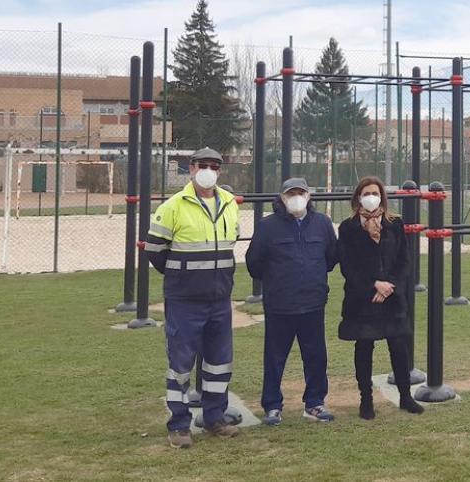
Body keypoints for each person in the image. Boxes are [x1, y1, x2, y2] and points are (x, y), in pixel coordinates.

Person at [145, 147, 242, 448]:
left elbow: (231, 241)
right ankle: (178, 425)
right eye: (203, 165)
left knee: (218, 363)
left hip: (219, 299)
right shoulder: (173, 206)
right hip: (185, 300)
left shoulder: (229, 203)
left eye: (215, 166)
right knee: (181, 364)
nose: (209, 170)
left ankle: (214, 418)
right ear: (191, 168)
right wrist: (183, 277)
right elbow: (155, 250)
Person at [245, 178, 338, 425]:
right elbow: (254, 263)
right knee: (275, 357)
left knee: (316, 355)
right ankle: (272, 406)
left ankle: (315, 403)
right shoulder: (267, 227)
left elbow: (331, 258)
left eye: (301, 192)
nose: (296, 197)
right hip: (280, 304)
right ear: (282, 197)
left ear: (308, 196)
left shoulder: (322, 224)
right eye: (291, 193)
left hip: (313, 302)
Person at [337, 176, 425, 418]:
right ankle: (366, 400)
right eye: (366, 193)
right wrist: (373, 285)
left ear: (382, 196)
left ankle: (406, 397)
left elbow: (404, 261)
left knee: (399, 346)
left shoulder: (395, 224)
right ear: (358, 197)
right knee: (364, 346)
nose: (371, 197)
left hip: (392, 299)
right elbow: (348, 266)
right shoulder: (348, 227)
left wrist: (390, 286)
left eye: (375, 192)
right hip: (361, 300)